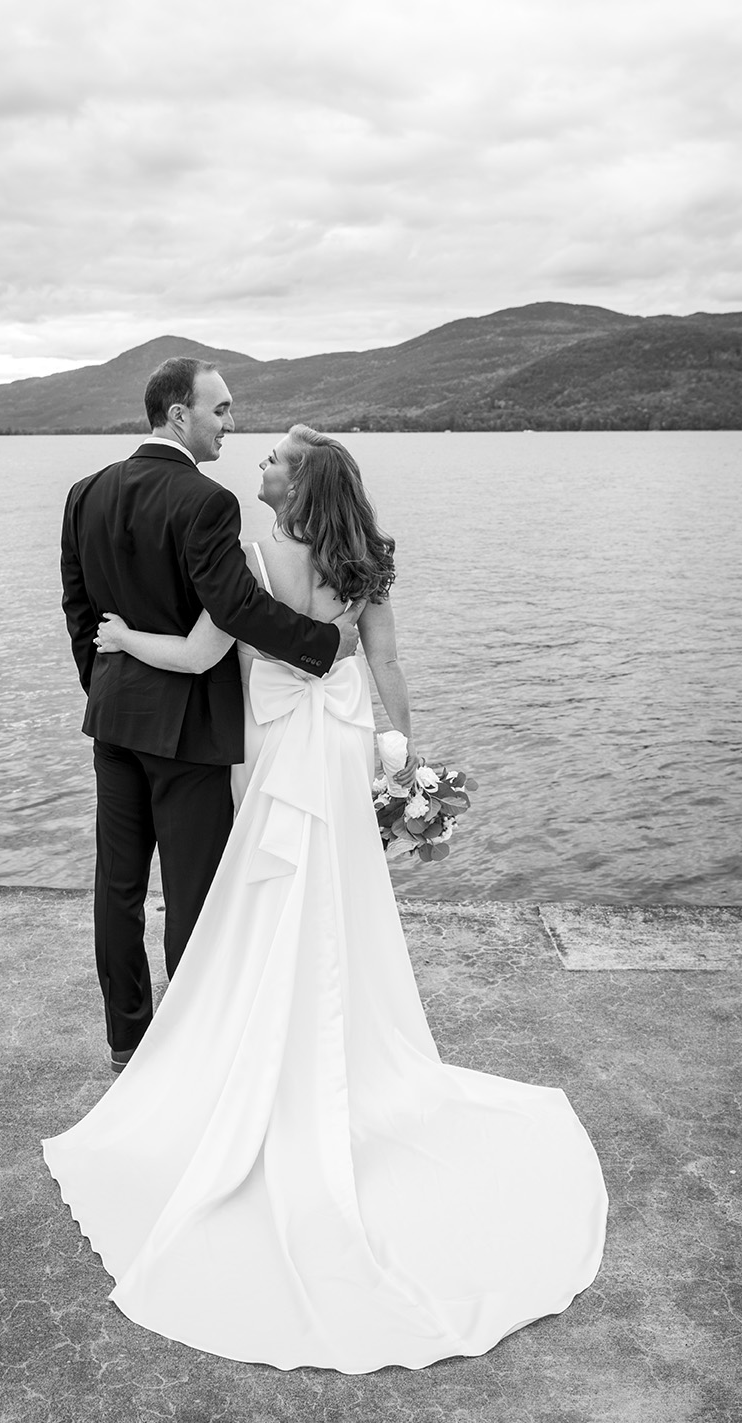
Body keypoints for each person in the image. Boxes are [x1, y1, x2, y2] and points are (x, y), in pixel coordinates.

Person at [44, 426, 607, 1374]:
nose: (257, 463)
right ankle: (340, 1054)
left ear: (298, 481)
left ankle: (241, 1054)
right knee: (341, 903)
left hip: (273, 757)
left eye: (274, 458)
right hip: (342, 750)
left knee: (258, 899)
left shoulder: (252, 558)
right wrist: (406, 758)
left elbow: (195, 658)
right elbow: (384, 668)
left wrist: (119, 636)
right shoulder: (364, 561)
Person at [60, 361, 363, 1074]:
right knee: (195, 889)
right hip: (189, 729)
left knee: (119, 885)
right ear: (178, 416)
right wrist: (323, 645)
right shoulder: (206, 501)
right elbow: (234, 608)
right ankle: (192, 1047)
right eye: (220, 410)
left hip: (114, 720)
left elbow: (78, 610)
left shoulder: (84, 493)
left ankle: (127, 1039)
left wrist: (104, 689)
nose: (230, 423)